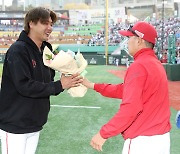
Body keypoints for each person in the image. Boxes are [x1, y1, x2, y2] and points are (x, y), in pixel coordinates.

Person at [0, 7, 82, 154]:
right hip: (15, 125)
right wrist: (59, 85)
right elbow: (24, 85)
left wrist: (66, 74)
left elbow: (47, 80)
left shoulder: (46, 49)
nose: (50, 28)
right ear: (31, 23)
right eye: (45, 23)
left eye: (51, 24)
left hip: (35, 123)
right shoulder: (18, 50)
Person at [82, 21, 171, 154]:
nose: (127, 41)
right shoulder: (155, 64)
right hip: (161, 139)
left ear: (140, 40)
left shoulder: (139, 65)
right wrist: (92, 85)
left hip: (143, 142)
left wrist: (103, 133)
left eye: (129, 37)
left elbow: (131, 107)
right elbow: (124, 90)